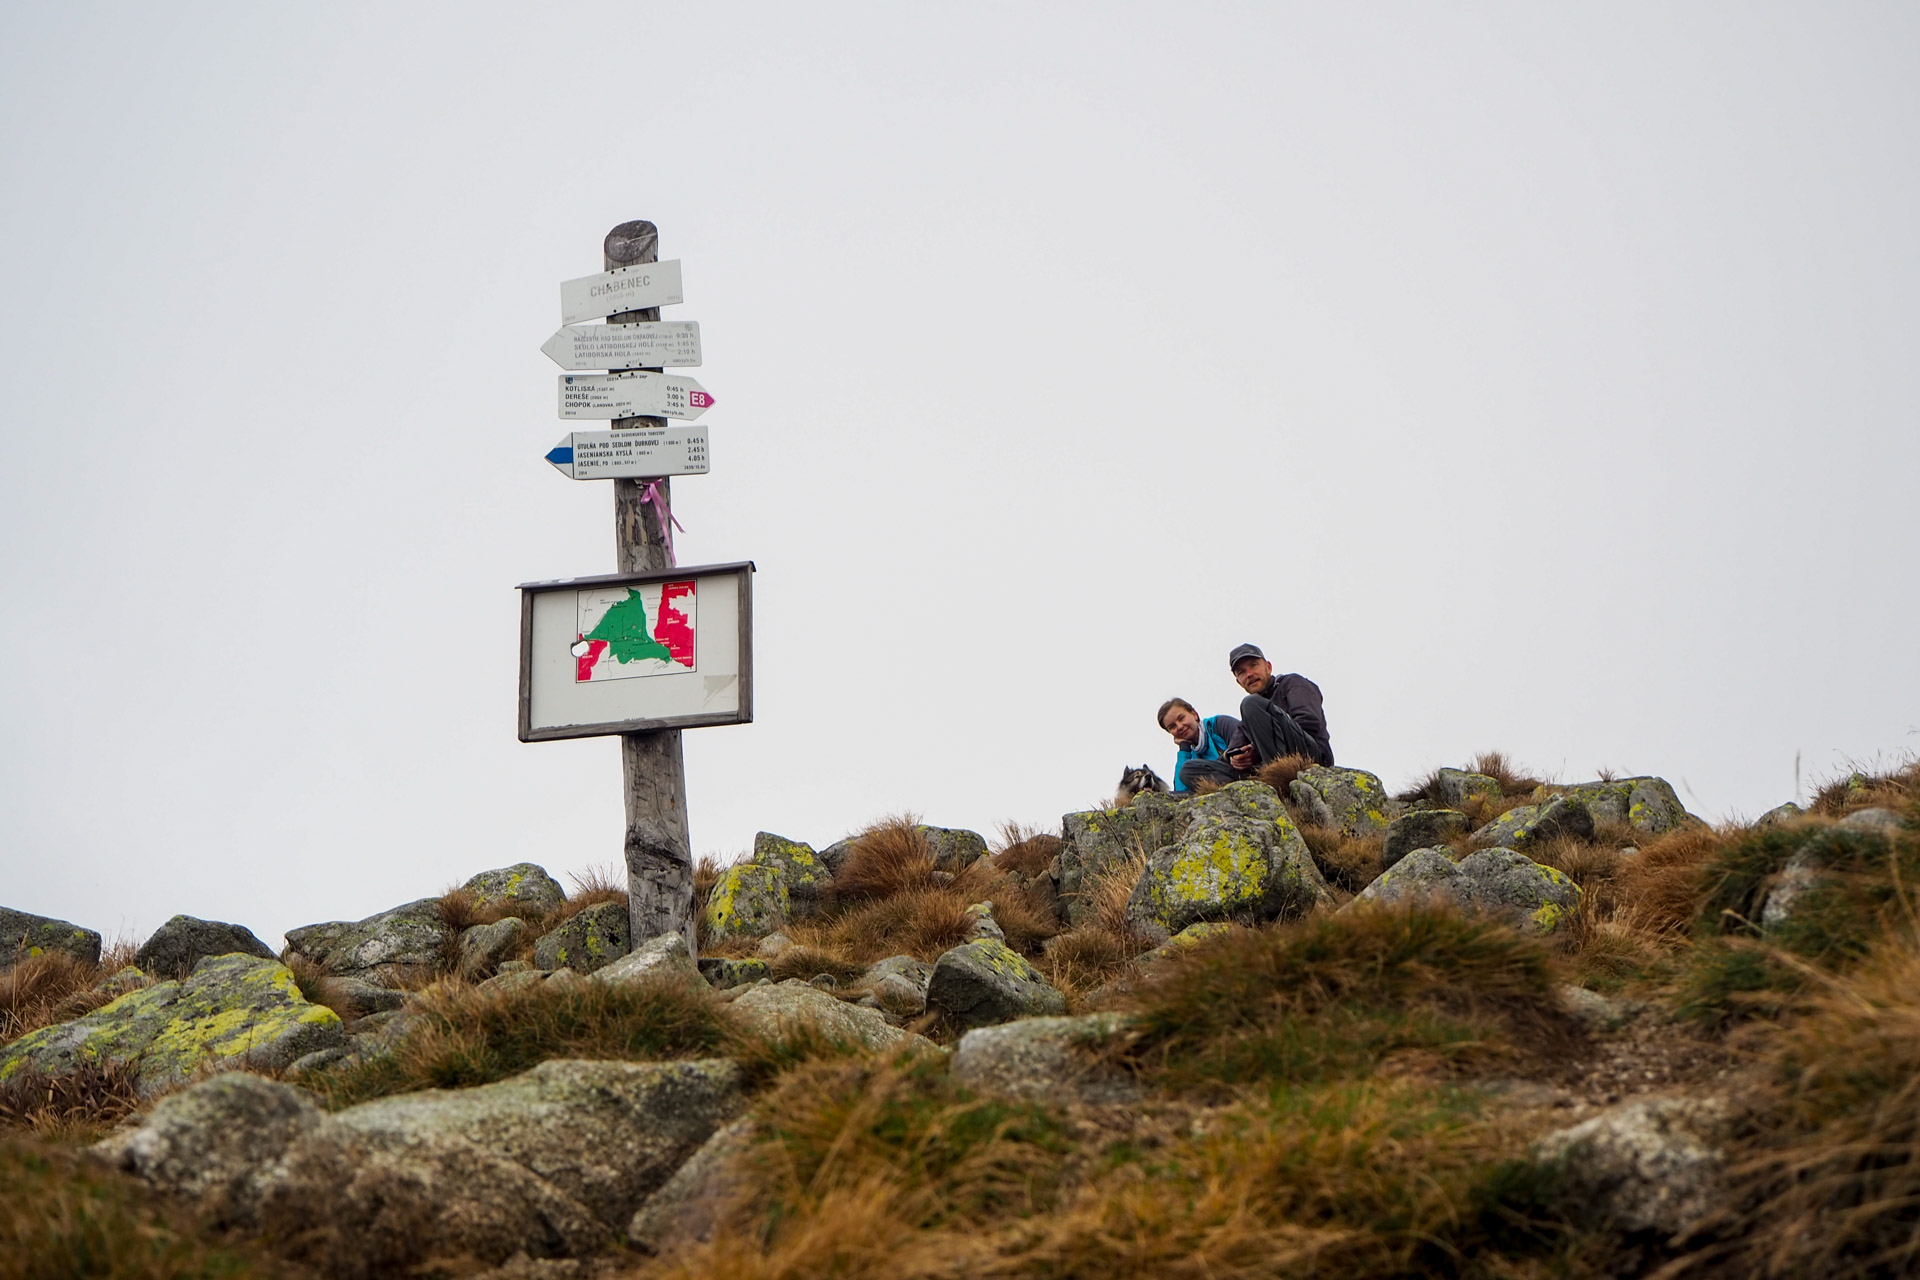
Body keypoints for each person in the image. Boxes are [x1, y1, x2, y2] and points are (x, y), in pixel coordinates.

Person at [1219, 643, 1334, 771]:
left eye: (1253, 665)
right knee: (1195, 768)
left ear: (1268, 667)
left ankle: (1277, 772)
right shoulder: (1251, 713)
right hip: (1269, 761)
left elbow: (1309, 721)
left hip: (1310, 756)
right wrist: (1233, 757)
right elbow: (1235, 746)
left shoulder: (1292, 683)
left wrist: (1258, 750)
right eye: (1241, 672)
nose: (1249, 674)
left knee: (1250, 703)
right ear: (1239, 682)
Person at [1157, 697, 1241, 793]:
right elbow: (1180, 791)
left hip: (1243, 771)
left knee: (1188, 769)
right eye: (1172, 727)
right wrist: (1184, 750)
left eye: (1181, 718)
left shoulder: (1219, 724)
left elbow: (1243, 742)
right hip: (1222, 785)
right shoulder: (1191, 756)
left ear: (1194, 714)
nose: (1179, 727)